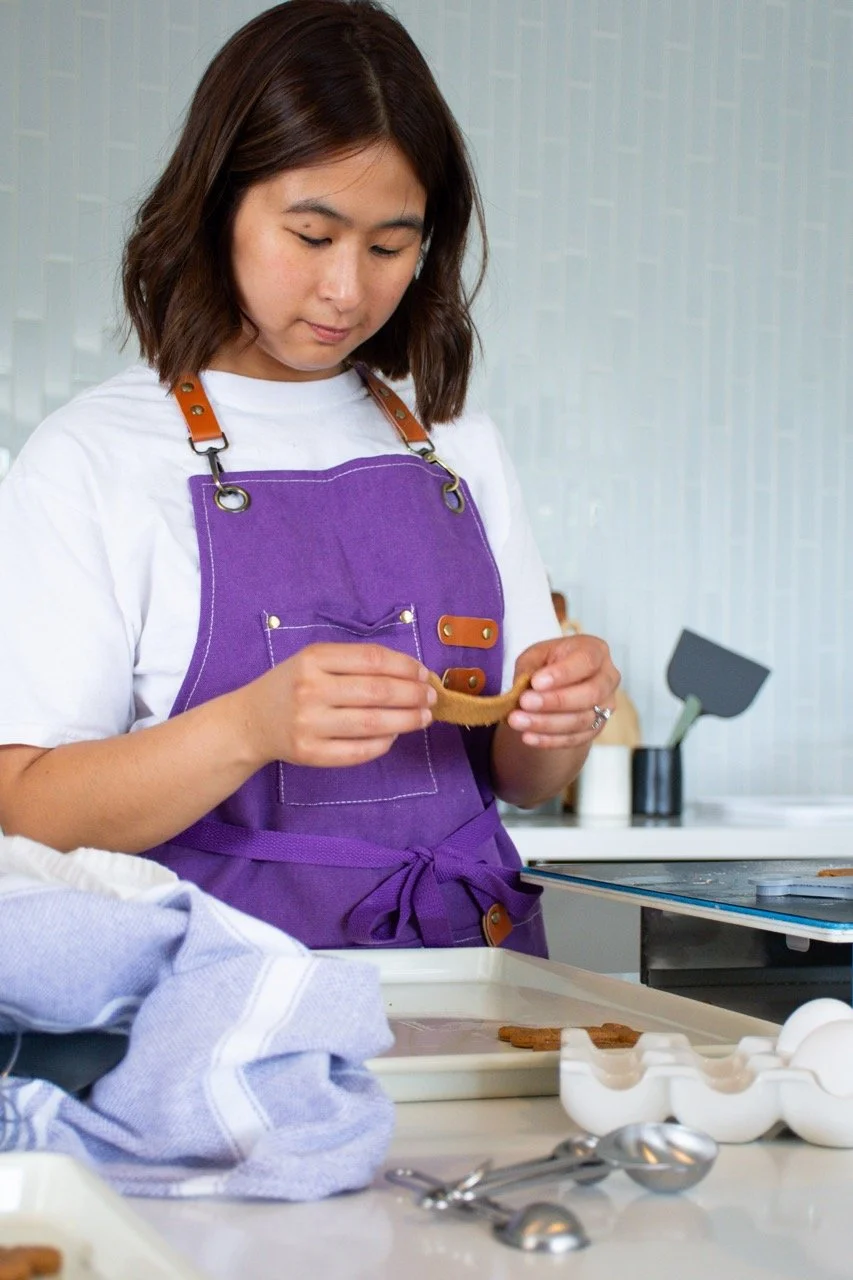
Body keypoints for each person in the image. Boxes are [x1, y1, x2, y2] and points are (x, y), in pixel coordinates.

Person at [0, 0, 619, 955]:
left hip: (471, 981)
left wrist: (559, 712)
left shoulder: (458, 447)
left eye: (387, 247)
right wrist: (248, 726)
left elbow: (518, 780)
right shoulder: (93, 457)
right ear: (219, 207)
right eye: (311, 235)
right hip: (222, 1011)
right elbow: (30, 809)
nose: (347, 290)